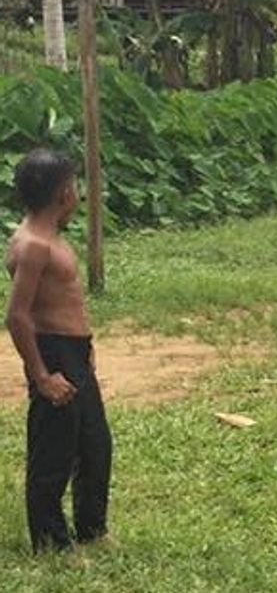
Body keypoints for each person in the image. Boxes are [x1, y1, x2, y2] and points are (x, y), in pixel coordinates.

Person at [5, 149, 112, 553]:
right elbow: (17, 316)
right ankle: (51, 544)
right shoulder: (33, 245)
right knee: (53, 453)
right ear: (63, 192)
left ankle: (92, 531)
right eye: (75, 185)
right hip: (52, 354)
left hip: (75, 352)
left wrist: (85, 352)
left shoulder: (50, 238)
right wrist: (43, 376)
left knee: (94, 445)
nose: (79, 194)